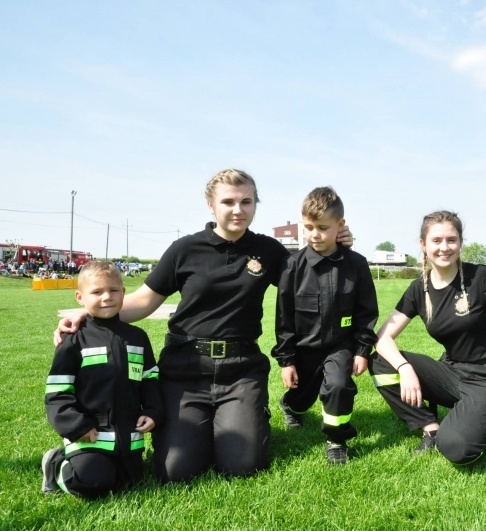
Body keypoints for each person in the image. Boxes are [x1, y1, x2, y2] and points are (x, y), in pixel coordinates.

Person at [55, 169, 353, 483]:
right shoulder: (185, 250)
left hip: (241, 370)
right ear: (211, 205)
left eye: (247, 201)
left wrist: (339, 241)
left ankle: (244, 418)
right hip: (185, 371)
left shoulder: (269, 251)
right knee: (176, 471)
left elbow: (315, 271)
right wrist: (87, 315)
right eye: (228, 202)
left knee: (243, 466)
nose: (238, 209)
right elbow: (143, 301)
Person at [369, 211, 486, 465]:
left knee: (455, 449)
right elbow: (383, 337)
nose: (444, 247)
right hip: (451, 373)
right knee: (381, 362)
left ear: (460, 242)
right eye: (436, 240)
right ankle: (429, 427)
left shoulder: (480, 278)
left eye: (451, 240)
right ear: (423, 245)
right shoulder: (420, 288)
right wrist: (405, 368)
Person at [272, 186, 378, 465]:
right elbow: (283, 318)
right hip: (304, 348)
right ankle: (290, 407)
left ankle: (336, 440)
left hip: (339, 346)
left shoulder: (357, 265)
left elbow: (367, 312)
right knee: (301, 398)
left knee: (339, 387)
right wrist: (287, 360)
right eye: (308, 227)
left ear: (340, 226)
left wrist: (362, 350)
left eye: (322, 227)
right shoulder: (292, 267)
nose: (314, 234)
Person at [42, 260, 162, 498]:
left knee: (131, 482)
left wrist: (152, 411)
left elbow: (150, 380)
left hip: (129, 439)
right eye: (97, 292)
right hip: (90, 436)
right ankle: (56, 465)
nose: (107, 297)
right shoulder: (73, 340)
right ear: (80, 297)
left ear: (123, 293)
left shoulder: (138, 337)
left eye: (113, 290)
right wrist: (76, 426)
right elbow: (57, 392)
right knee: (92, 482)